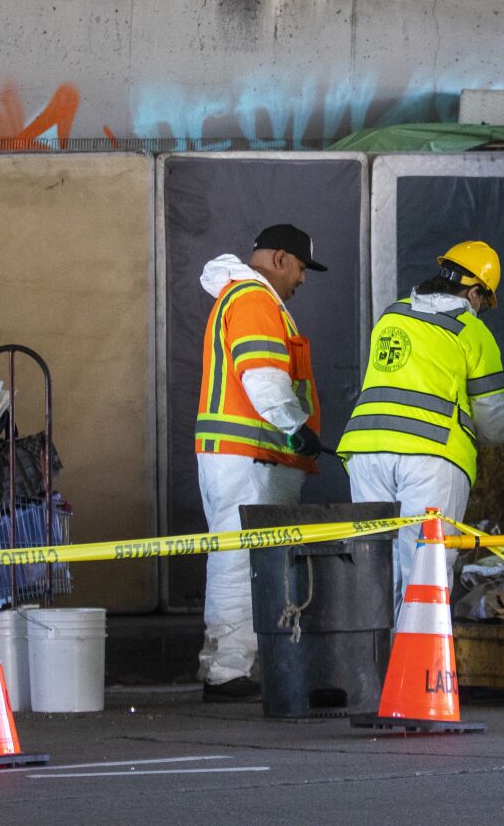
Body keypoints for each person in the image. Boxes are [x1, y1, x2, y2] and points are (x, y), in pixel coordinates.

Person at [340, 242, 504, 613]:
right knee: (425, 567)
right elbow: (494, 421)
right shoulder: (471, 330)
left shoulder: (392, 316)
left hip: (366, 453)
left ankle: (376, 665)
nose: (480, 308)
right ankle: (418, 670)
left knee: (375, 566)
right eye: (482, 300)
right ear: (472, 292)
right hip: (431, 456)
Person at [193, 223, 326, 702]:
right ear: (280, 259)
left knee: (240, 560)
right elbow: (264, 377)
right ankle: (227, 672)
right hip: (250, 459)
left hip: (246, 458)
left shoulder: (244, 298)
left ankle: (231, 666)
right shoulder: (255, 299)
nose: (304, 280)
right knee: (236, 563)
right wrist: (295, 427)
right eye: (302, 268)